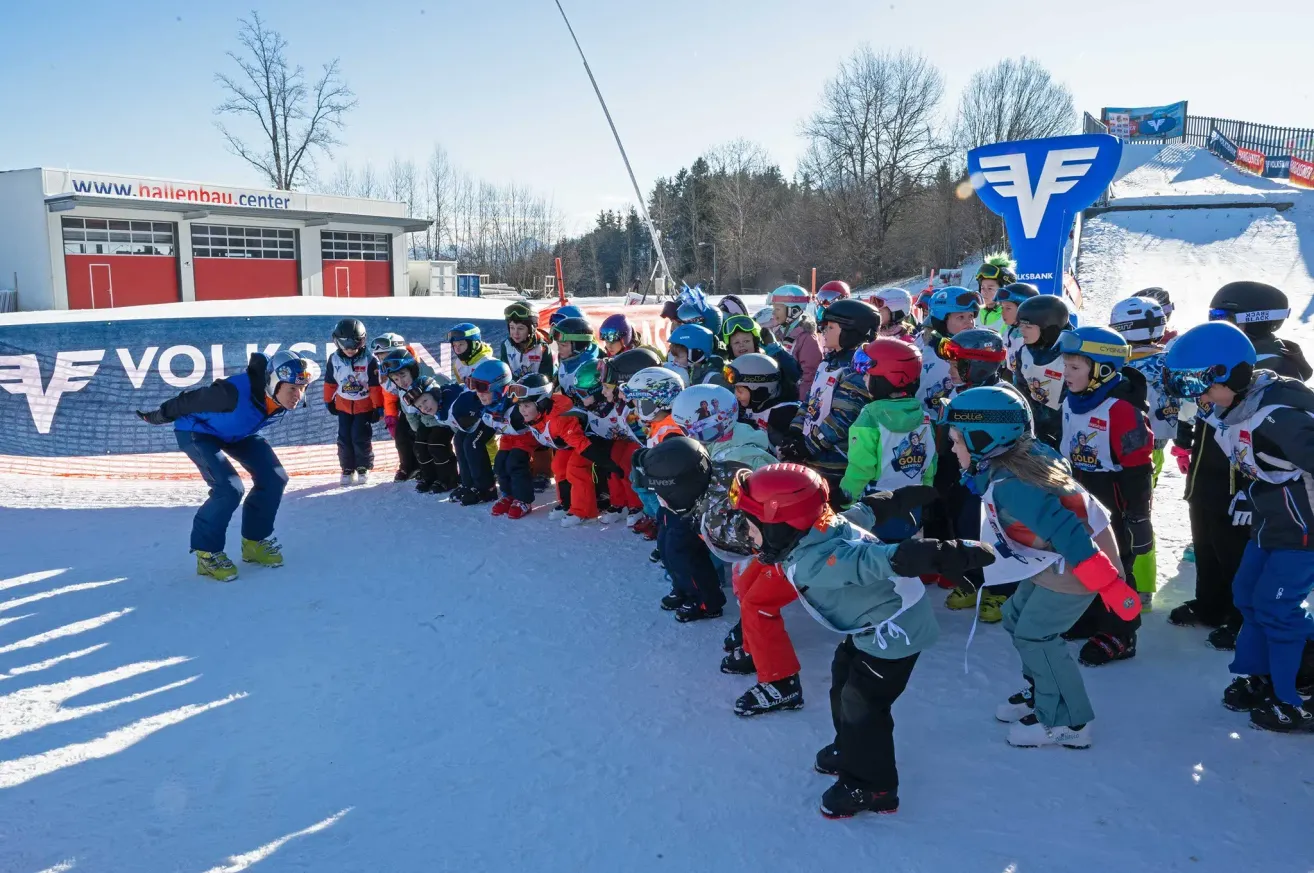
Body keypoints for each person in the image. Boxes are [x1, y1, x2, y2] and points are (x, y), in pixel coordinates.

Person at [729, 463, 996, 817]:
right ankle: (849, 746)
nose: (748, 534)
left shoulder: (815, 560)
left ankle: (873, 786)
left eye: (752, 526)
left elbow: (875, 559)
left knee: (864, 707)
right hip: (869, 624)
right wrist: (893, 500)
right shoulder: (817, 528)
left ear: (779, 526)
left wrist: (940, 553)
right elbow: (861, 515)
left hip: (894, 632)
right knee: (842, 681)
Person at [945, 386, 1139, 748]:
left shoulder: (1015, 486)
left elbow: (1069, 532)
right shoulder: (1020, 456)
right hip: (1050, 559)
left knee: (1036, 635)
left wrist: (1111, 586)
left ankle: (1068, 721)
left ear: (986, 439)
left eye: (958, 440)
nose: (953, 448)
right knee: (1016, 618)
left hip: (1077, 564)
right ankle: (1043, 691)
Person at [1165, 321, 1314, 732]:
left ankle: (1296, 696)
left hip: (1303, 531)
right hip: (1272, 523)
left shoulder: (1278, 418)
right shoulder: (1230, 407)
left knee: (1278, 608)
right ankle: (1266, 675)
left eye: (1199, 383)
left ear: (1230, 375)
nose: (1195, 395)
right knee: (1246, 596)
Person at [1171, 281, 1312, 649]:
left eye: (1223, 315)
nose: (1215, 322)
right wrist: (1186, 435)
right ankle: (1210, 603)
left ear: (1255, 319)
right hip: (1208, 469)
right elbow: (1199, 404)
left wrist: (1251, 491)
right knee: (1206, 540)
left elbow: (1273, 436)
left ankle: (1238, 616)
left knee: (1235, 548)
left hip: (1243, 479)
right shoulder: (1216, 354)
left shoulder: (1267, 363)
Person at [635, 435, 802, 716]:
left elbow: (745, 545)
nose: (660, 501)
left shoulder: (718, 518)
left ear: (678, 490)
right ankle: (755, 651)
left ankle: (783, 683)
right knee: (747, 591)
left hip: (799, 552)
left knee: (759, 603)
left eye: (662, 494)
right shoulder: (716, 473)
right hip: (776, 546)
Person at [135, 350, 311, 581]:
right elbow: (189, 401)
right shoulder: (232, 393)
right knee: (229, 488)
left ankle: (254, 542)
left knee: (274, 477)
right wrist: (158, 416)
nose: (298, 395)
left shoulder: (278, 397)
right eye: (292, 389)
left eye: (302, 388)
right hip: (197, 431)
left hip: (236, 434)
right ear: (274, 383)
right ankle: (207, 554)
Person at [1056, 326, 1154, 666]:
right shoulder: (1072, 398)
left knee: (1116, 563)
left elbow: (1139, 468)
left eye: (1075, 367)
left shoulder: (1121, 409)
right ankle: (1094, 615)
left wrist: (1138, 516)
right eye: (1065, 366)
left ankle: (1122, 630)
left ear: (1103, 370)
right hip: (1079, 488)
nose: (1066, 374)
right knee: (1084, 557)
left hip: (1114, 495)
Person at [935, 329, 1016, 620]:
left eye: (957, 365)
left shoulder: (1003, 398)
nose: (950, 370)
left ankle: (1002, 589)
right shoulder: (959, 391)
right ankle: (973, 579)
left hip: (995, 482)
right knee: (964, 526)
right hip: (964, 479)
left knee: (996, 533)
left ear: (978, 366)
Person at [1109, 296, 1176, 605]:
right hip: (1155, 448)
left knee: (1129, 512)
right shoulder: (1169, 360)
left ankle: (1135, 583)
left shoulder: (1119, 364)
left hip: (1122, 448)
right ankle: (1142, 583)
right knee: (1139, 511)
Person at [840, 338, 936, 542]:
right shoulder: (924, 417)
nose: (864, 378)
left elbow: (861, 468)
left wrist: (845, 500)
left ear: (886, 378)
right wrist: (924, 495)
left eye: (868, 373)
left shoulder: (870, 417)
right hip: (912, 505)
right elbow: (930, 464)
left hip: (875, 508)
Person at [783, 299, 881, 499]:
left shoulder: (856, 371)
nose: (824, 332)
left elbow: (843, 418)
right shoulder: (828, 363)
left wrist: (807, 446)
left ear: (850, 332)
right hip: (814, 459)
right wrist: (795, 430)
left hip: (835, 464)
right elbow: (811, 400)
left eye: (830, 327)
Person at [511, 373, 599, 527]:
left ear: (541, 403)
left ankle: (584, 512)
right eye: (520, 405)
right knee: (558, 465)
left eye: (526, 405)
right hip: (568, 445)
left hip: (589, 442)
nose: (522, 410)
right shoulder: (535, 416)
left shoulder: (559, 417)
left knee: (575, 469)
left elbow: (582, 445)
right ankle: (567, 503)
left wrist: (606, 461)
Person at [380, 348, 459, 494]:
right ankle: (429, 476)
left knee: (437, 445)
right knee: (420, 447)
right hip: (425, 422)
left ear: (412, 370)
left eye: (403, 375)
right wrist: (418, 431)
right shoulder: (403, 392)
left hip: (442, 422)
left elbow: (448, 395)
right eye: (396, 379)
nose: (401, 381)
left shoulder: (428, 379)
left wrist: (450, 424)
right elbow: (409, 414)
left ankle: (448, 478)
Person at [471, 359, 535, 519]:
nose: (479, 394)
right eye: (476, 388)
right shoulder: (489, 404)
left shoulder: (516, 405)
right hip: (508, 437)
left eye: (483, 390)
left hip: (525, 437)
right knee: (500, 464)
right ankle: (508, 494)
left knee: (515, 462)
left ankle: (523, 500)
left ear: (500, 389)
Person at [324, 318, 383, 486]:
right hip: (343, 405)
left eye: (355, 344)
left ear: (362, 341)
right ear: (337, 342)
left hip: (363, 406)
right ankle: (347, 468)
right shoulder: (334, 359)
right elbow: (330, 382)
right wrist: (328, 400)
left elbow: (374, 386)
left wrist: (378, 407)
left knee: (360, 437)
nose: (350, 349)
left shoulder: (369, 360)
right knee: (344, 438)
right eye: (346, 344)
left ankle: (363, 467)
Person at [1012, 294, 1072, 449]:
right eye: (1021, 325)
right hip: (1037, 429)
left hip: (1068, 428)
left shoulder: (1072, 356)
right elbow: (1021, 391)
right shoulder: (1024, 354)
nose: (1022, 330)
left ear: (1049, 329)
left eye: (1028, 326)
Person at [916, 288, 981, 416]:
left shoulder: (977, 350)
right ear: (942, 320)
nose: (969, 323)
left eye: (971, 316)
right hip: (926, 422)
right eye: (961, 317)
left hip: (961, 421)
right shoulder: (923, 348)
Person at [371, 332, 418, 481]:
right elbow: (388, 395)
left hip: (422, 407)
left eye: (384, 355)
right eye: (379, 356)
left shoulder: (414, 365)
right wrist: (390, 417)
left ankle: (425, 467)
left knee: (421, 437)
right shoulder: (384, 371)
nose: (382, 359)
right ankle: (407, 467)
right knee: (401, 436)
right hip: (405, 407)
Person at [726, 352, 799, 448]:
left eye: (740, 390)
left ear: (759, 390)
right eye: (735, 388)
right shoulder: (747, 405)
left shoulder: (784, 414)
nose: (736, 395)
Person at [721, 313, 801, 398]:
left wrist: (776, 350)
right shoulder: (730, 370)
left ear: (755, 343)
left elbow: (794, 374)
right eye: (736, 342)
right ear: (730, 347)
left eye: (746, 341)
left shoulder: (768, 363)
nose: (741, 345)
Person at [766, 284, 825, 397]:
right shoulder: (780, 332)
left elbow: (809, 376)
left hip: (794, 398)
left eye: (777, 309)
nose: (773, 313)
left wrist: (799, 403)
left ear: (794, 310)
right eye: (773, 309)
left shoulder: (807, 338)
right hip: (780, 395)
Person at [501, 303, 556, 380]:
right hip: (513, 389)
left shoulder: (543, 349)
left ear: (531, 329)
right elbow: (504, 375)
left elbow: (546, 379)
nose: (515, 333)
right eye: (512, 328)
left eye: (520, 328)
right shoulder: (506, 346)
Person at [994, 282, 1038, 373]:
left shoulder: (1033, 336)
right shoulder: (1010, 329)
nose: (1002, 313)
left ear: (1024, 309)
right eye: (1002, 308)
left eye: (1008, 308)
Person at [553, 315, 601, 395]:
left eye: (563, 345)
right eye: (558, 344)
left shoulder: (592, 369)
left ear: (579, 345)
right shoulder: (565, 360)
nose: (559, 349)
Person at [973, 254, 1016, 332]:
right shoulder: (974, 313)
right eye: (982, 288)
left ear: (1004, 292)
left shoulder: (1009, 317)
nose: (984, 292)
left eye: (990, 288)